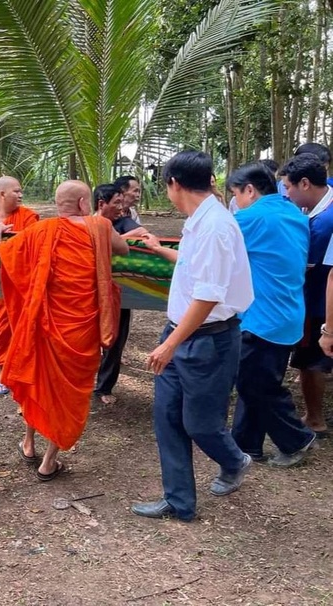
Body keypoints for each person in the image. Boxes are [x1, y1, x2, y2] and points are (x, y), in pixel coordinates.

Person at [132, 151, 254, 522]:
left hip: (208, 339)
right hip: (181, 332)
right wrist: (158, 248)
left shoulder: (216, 225)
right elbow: (191, 264)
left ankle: (234, 460)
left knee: (200, 423)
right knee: (167, 418)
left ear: (173, 183)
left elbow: (209, 294)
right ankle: (179, 502)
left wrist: (169, 344)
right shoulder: (198, 221)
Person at [0, 180, 128, 481]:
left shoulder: (41, 231)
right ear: (81, 204)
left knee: (37, 379)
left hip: (46, 326)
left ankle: (28, 443)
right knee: (68, 394)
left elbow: (3, 255)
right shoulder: (100, 226)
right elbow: (124, 248)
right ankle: (48, 462)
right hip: (81, 330)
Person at [227, 162, 316, 467]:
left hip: (262, 318)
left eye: (236, 194)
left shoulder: (251, 217)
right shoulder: (293, 212)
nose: (236, 200)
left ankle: (297, 439)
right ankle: (246, 445)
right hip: (289, 312)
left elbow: (212, 247)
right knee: (260, 380)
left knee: (255, 384)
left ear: (249, 190)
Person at [279, 153, 333, 437]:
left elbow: (307, 267)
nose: (286, 194)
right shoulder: (321, 208)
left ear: (305, 183)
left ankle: (314, 419)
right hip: (318, 299)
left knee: (311, 361)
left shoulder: (323, 223)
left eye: (288, 187)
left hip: (319, 303)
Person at [0, 176, 39, 394]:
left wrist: (0, 241)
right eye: (16, 191)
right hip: (0, 286)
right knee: (1, 327)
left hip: (24, 281)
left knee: (27, 325)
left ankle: (24, 368)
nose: (21, 195)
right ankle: (0, 370)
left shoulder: (29, 217)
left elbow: (32, 245)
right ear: (1, 194)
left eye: (21, 191)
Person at [92, 184, 147, 405]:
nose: (121, 207)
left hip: (120, 292)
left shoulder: (124, 223)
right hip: (90, 289)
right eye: (116, 202)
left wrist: (113, 237)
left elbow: (142, 233)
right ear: (101, 204)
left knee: (115, 339)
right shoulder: (85, 222)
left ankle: (104, 386)